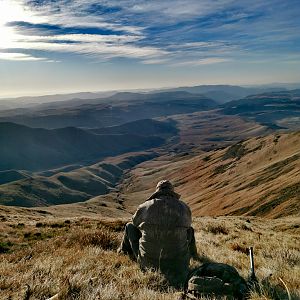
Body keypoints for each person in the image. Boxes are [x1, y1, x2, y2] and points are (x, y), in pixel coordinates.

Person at [118, 180, 197, 286]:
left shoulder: (145, 206)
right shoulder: (184, 207)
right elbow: (187, 225)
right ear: (172, 191)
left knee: (129, 227)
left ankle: (123, 251)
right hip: (179, 264)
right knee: (190, 230)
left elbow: (135, 223)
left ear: (157, 191)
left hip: (148, 264)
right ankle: (194, 254)